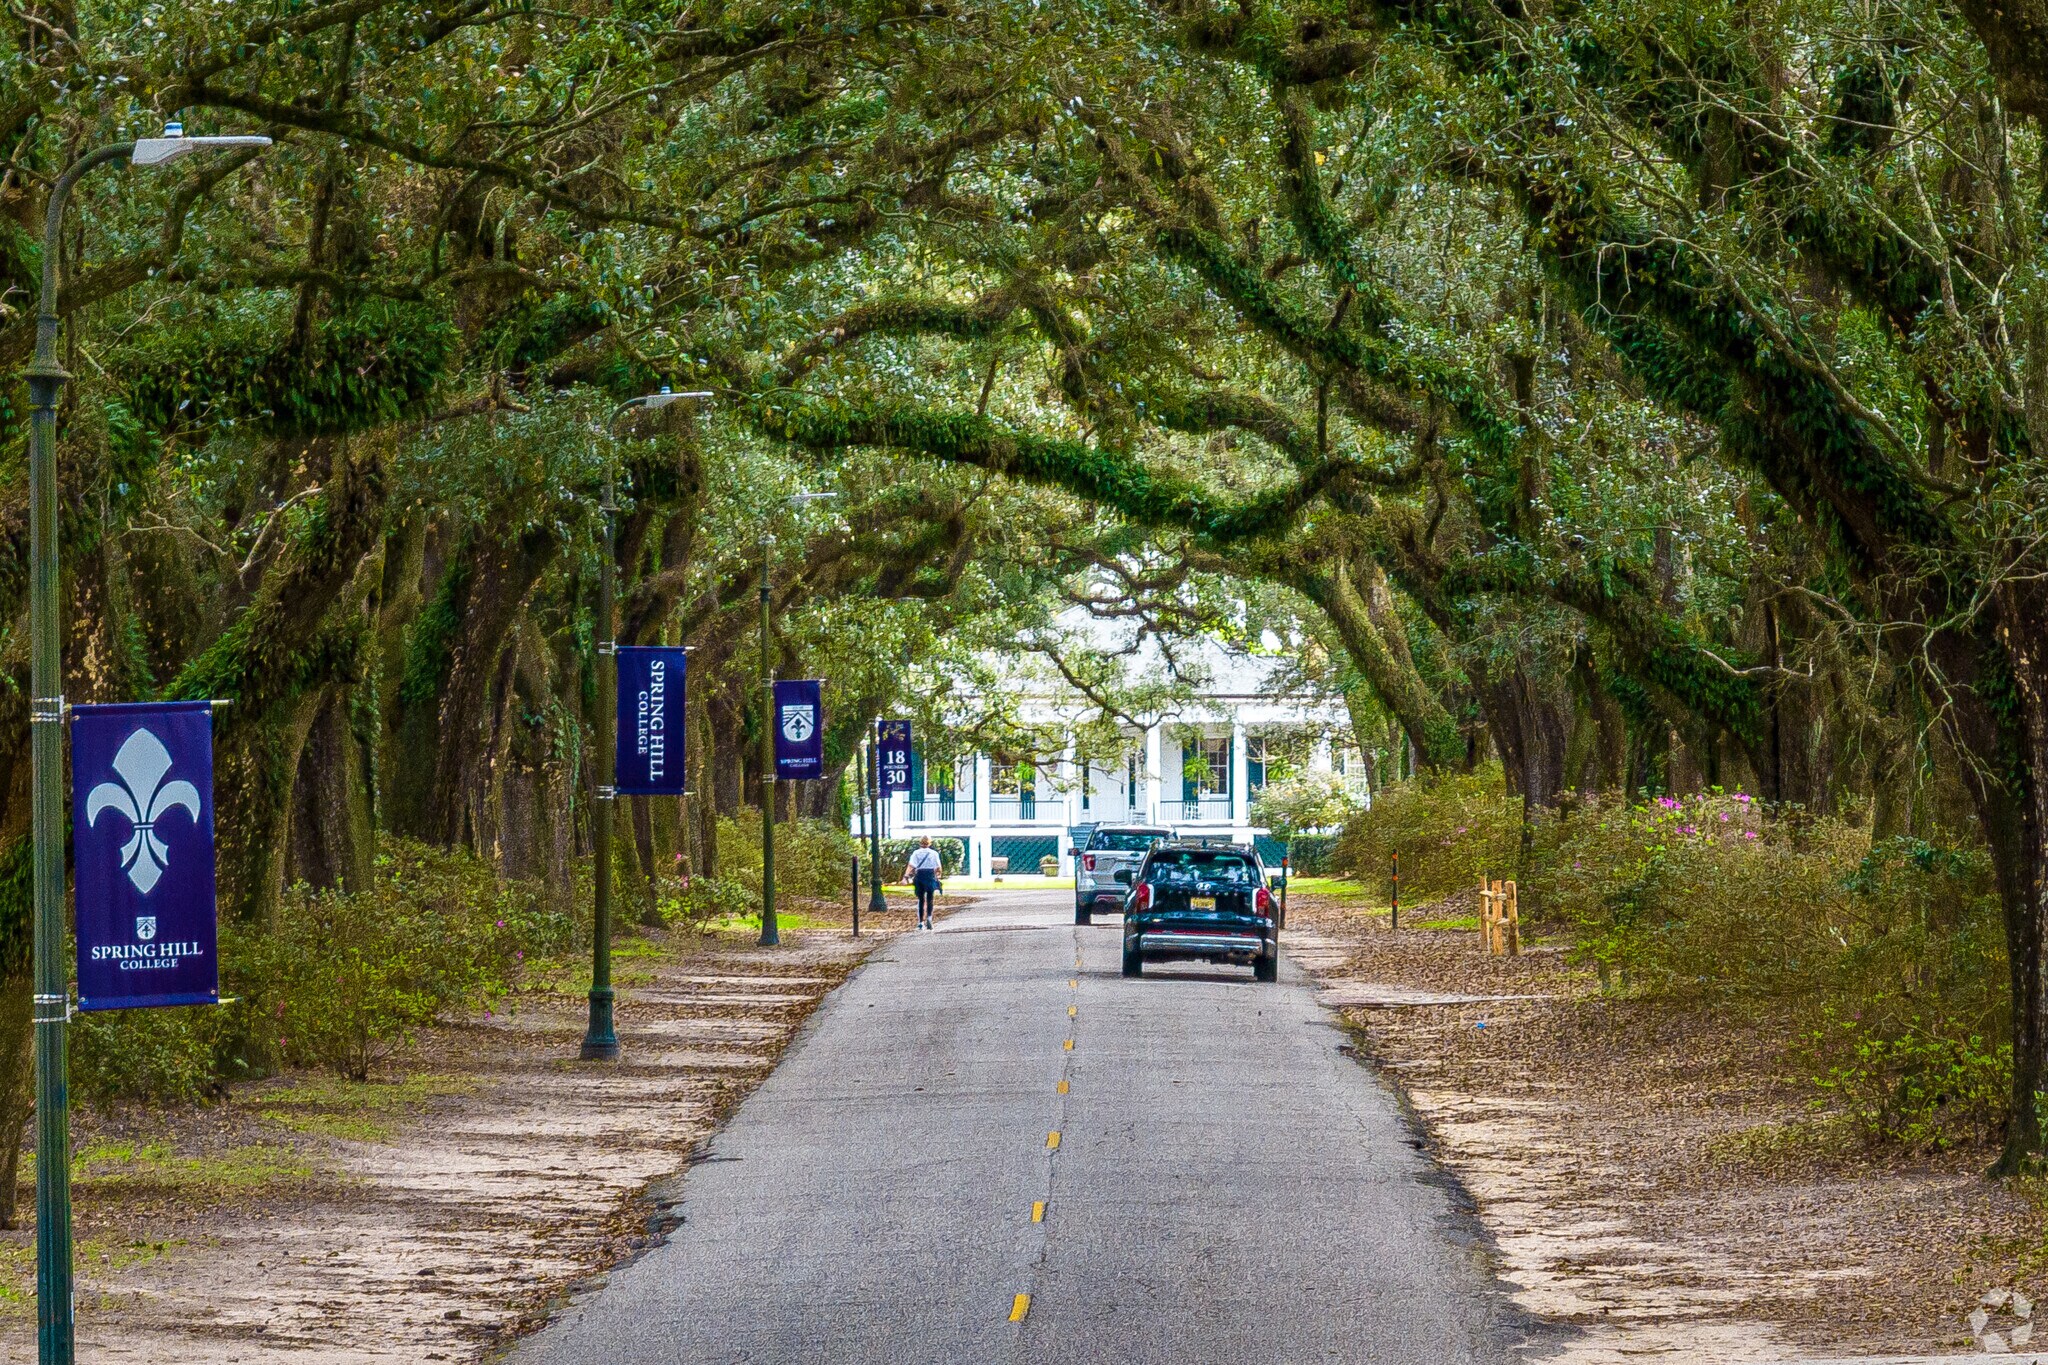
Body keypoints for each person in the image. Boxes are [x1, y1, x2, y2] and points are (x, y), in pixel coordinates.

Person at [902, 836, 943, 930]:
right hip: (930, 875)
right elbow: (938, 867)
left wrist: (905, 877)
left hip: (919, 875)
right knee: (930, 899)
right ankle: (929, 917)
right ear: (930, 843)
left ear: (920, 843)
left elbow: (911, 865)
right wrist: (938, 875)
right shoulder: (934, 853)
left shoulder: (916, 853)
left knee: (921, 900)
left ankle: (921, 922)